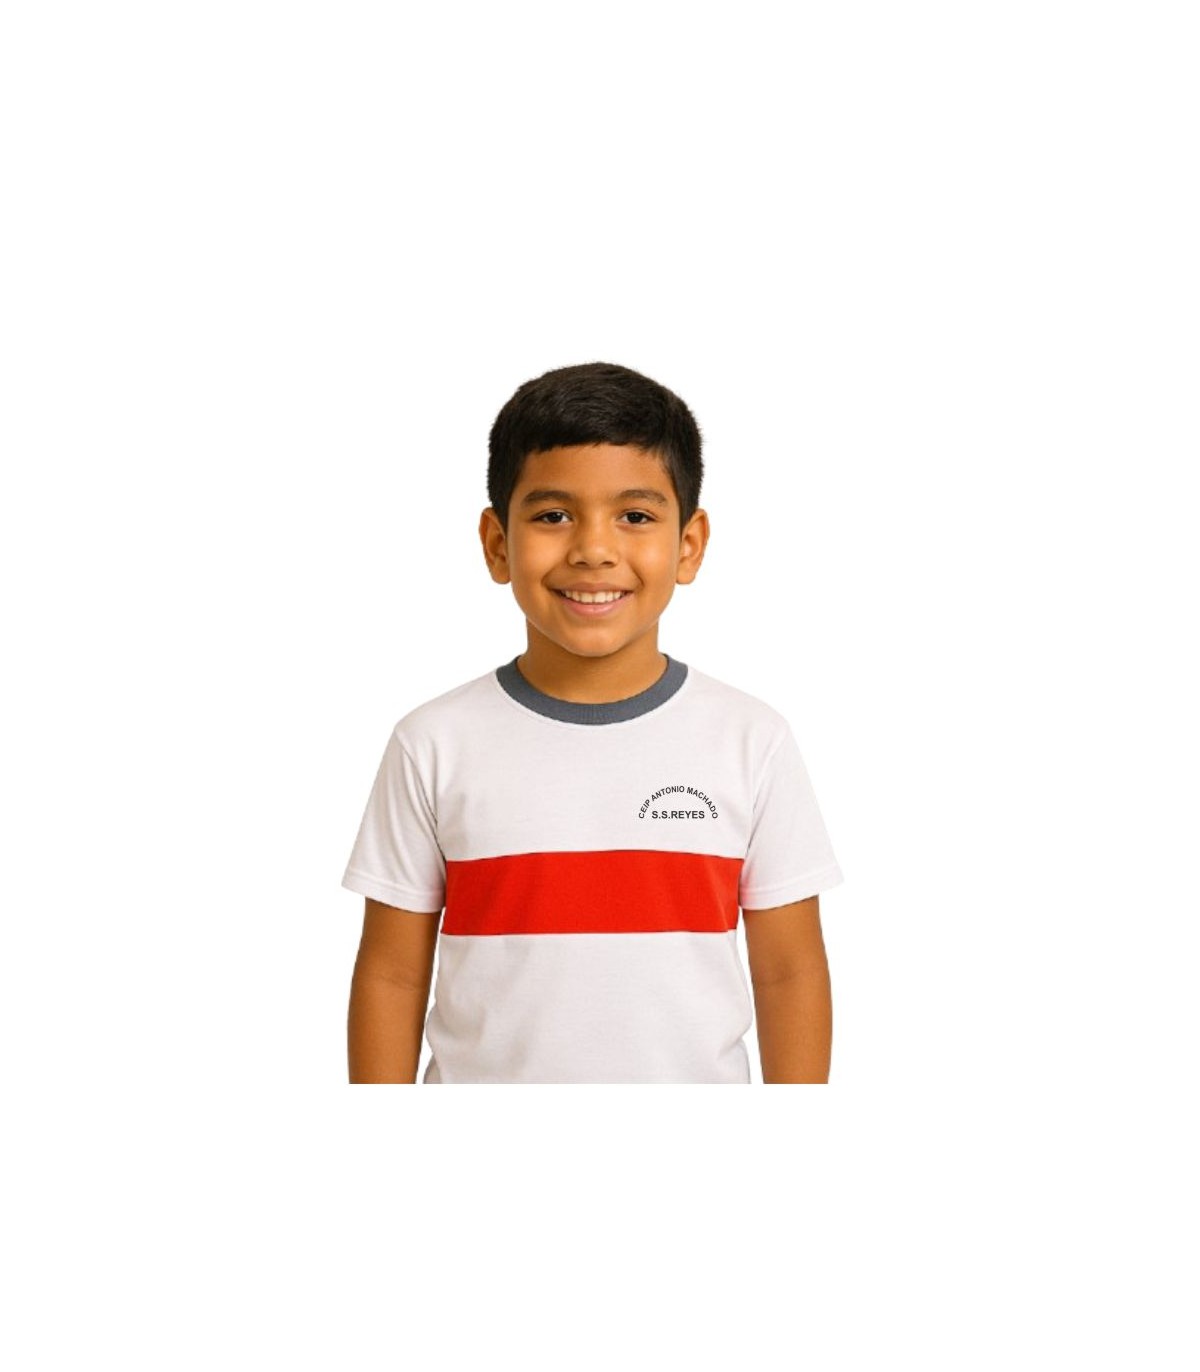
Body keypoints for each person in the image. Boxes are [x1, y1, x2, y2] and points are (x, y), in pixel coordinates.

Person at [341, 361, 844, 1083]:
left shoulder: (751, 740)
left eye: (635, 516)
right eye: (553, 515)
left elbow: (790, 970)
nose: (593, 550)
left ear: (689, 545)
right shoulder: (432, 743)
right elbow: (391, 973)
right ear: (497, 543)